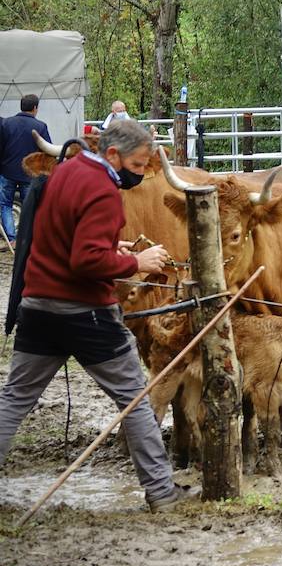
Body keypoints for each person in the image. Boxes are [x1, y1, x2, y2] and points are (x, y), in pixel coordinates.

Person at [0, 120, 193, 512]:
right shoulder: (104, 191)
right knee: (135, 401)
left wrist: (110, 244)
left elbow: (65, 235)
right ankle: (161, 492)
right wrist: (135, 260)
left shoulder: (68, 169)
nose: (140, 174)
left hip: (38, 303)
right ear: (112, 155)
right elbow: (85, 260)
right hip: (85, 313)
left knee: (15, 399)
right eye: (138, 165)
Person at [1, 94, 52, 242]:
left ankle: (11, 238)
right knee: (30, 206)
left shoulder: (6, 124)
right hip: (30, 174)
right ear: (35, 108)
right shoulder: (40, 126)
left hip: (7, 172)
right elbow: (47, 152)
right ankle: (27, 238)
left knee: (5, 205)